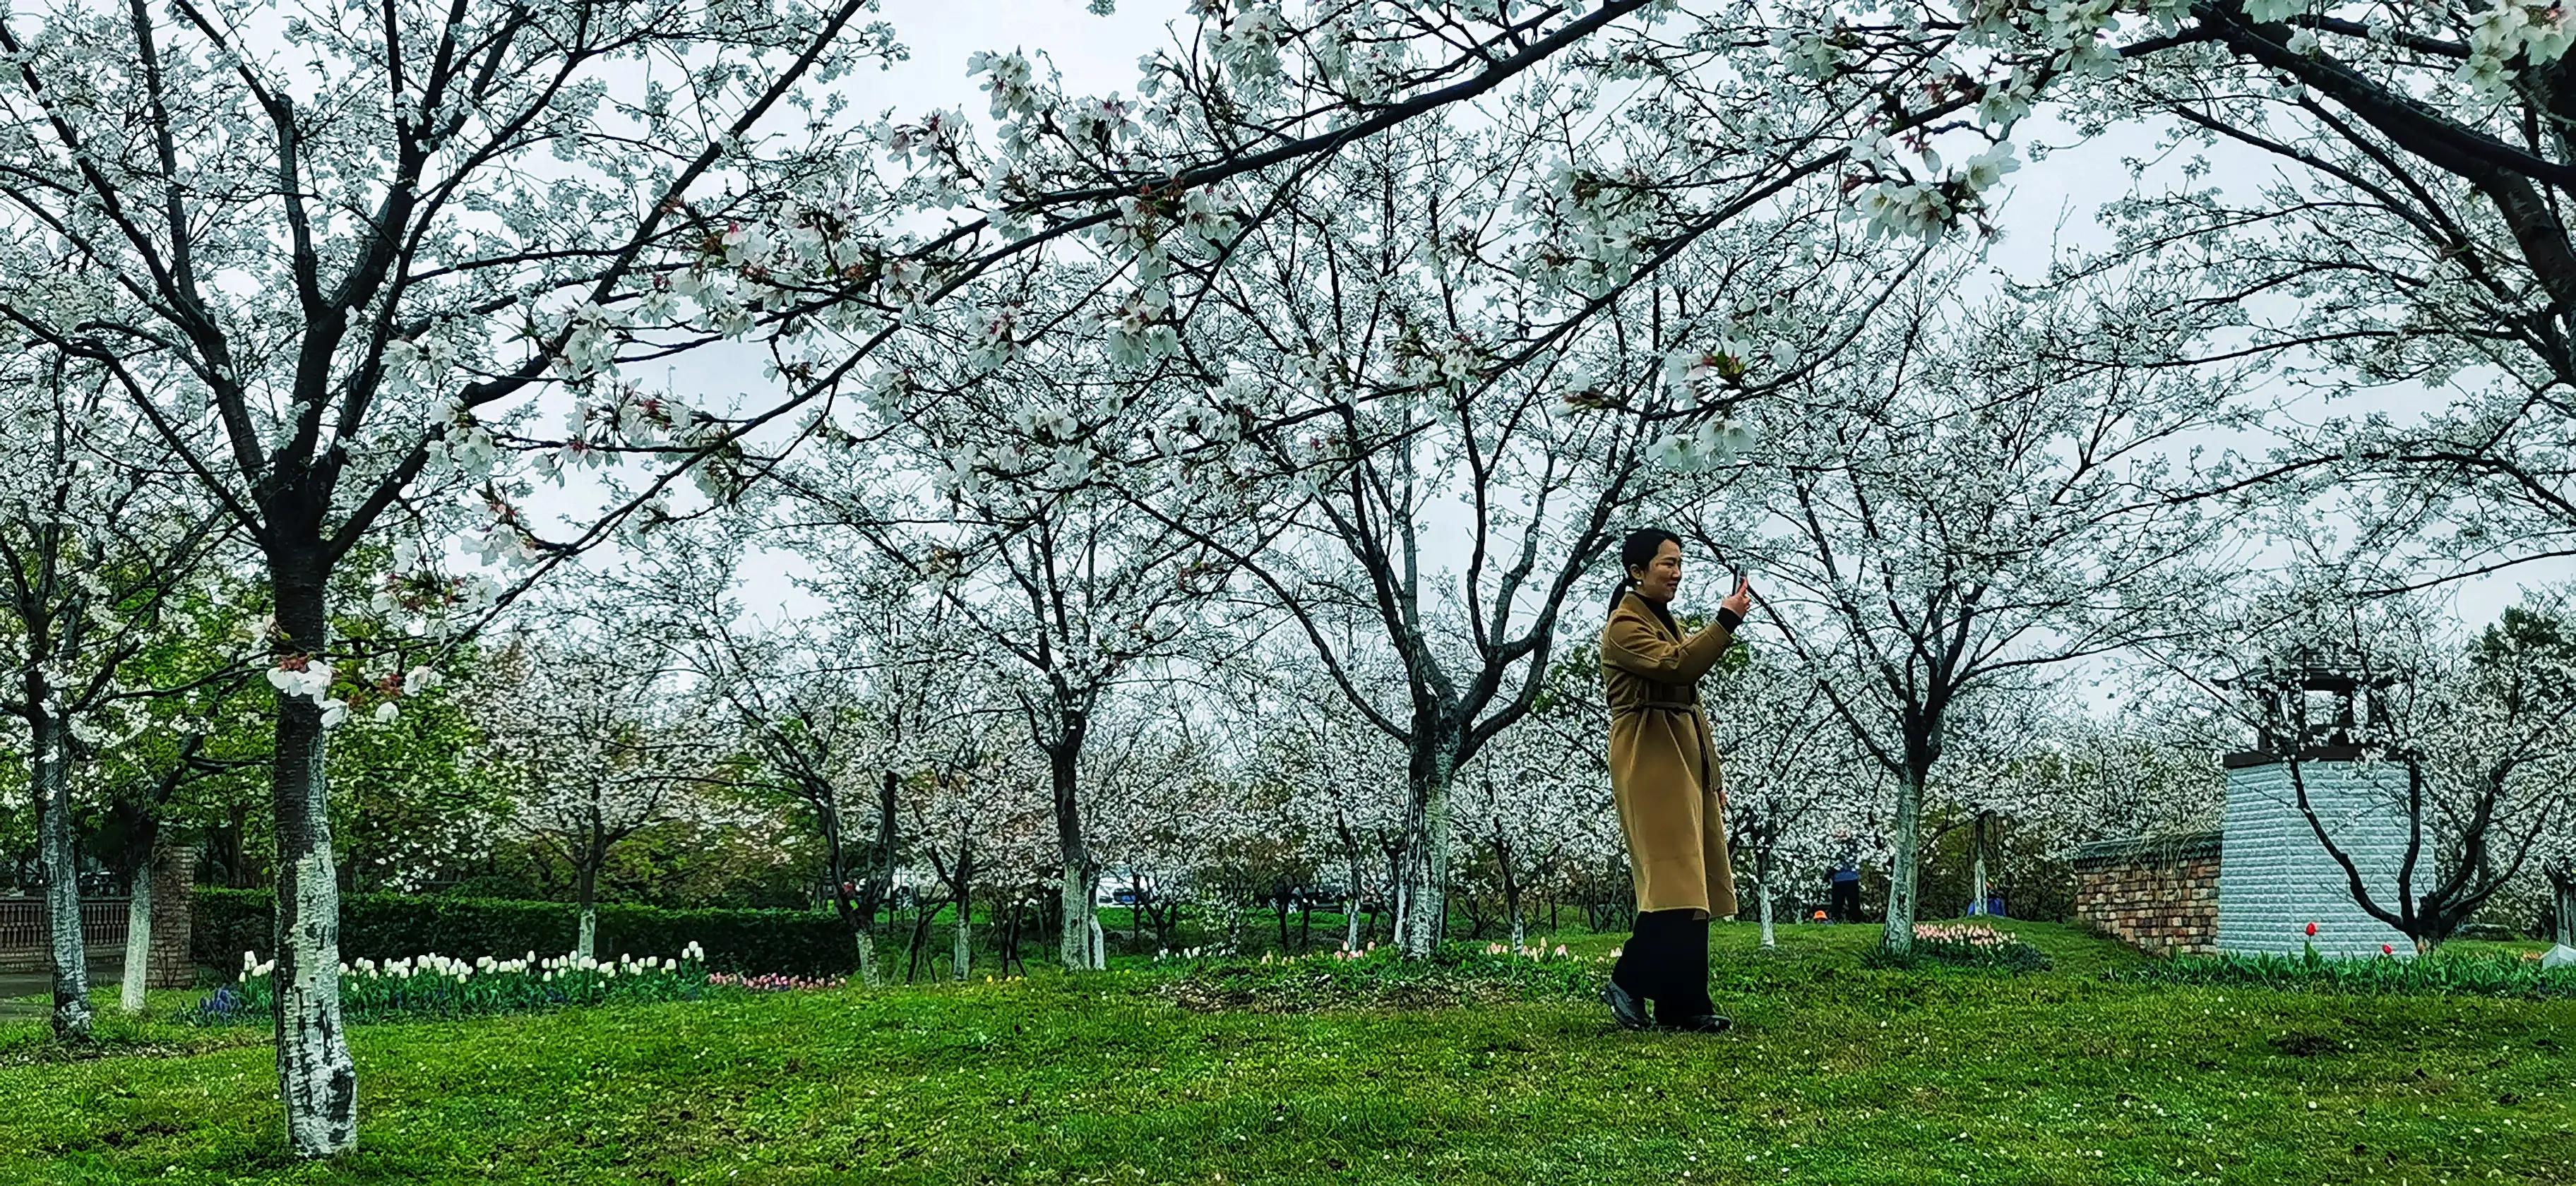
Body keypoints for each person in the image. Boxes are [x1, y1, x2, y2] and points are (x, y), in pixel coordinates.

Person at [1597, 527, 1751, 1034]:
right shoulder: (1624, 626)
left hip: (1683, 755)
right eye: (1667, 564)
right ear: (1637, 572)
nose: (1677, 573)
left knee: (1694, 884)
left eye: (1680, 563)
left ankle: (1683, 1004)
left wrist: (1712, 776)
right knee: (1673, 881)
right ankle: (1628, 979)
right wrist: (1725, 621)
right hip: (1650, 755)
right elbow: (1680, 668)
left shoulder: (1665, 621)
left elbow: (1692, 702)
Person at [1827, 829, 1863, 924]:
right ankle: (1852, 919)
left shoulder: (1841, 848)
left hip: (1845, 879)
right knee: (1849, 902)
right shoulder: (1853, 847)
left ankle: (1842, 919)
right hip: (1847, 879)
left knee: (1843, 902)